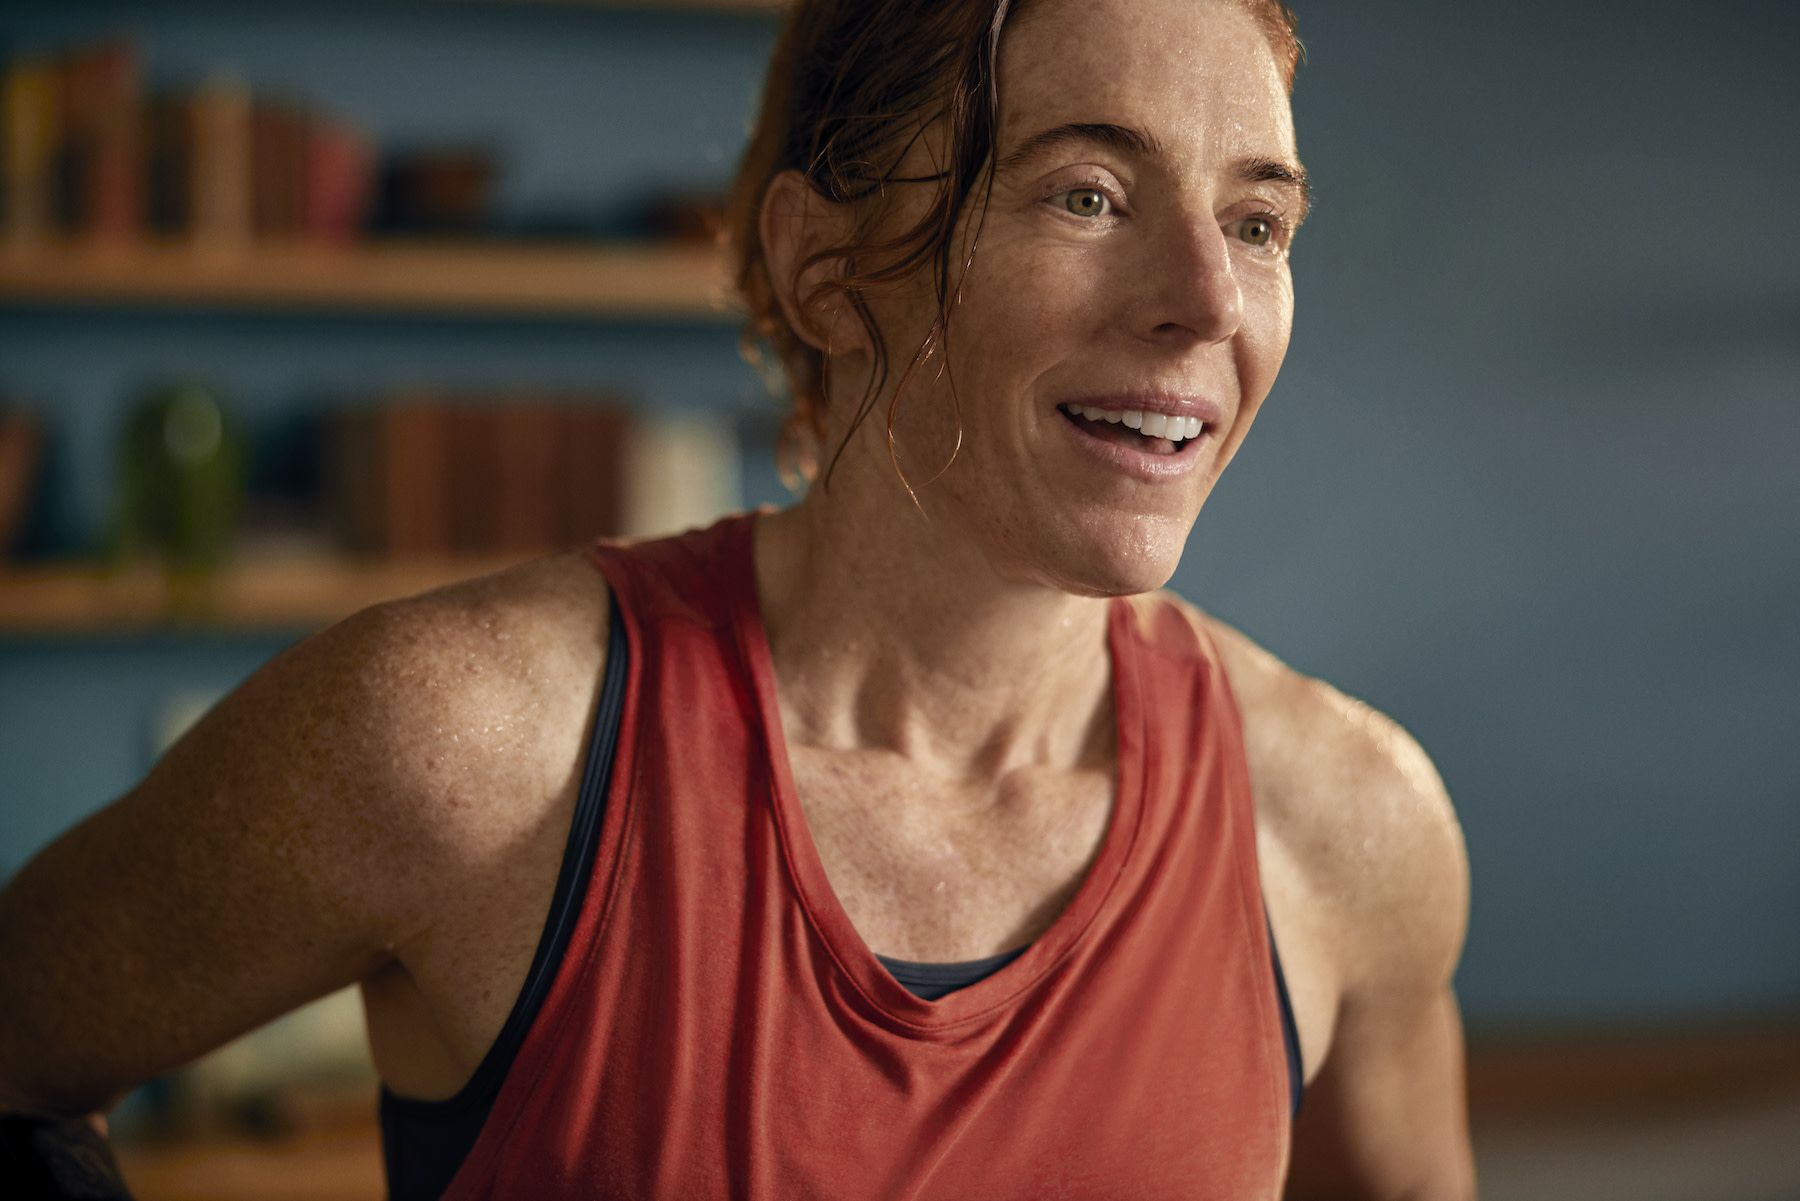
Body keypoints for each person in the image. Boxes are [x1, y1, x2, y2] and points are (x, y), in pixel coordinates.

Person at [0, 0, 1475, 1196]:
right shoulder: (466, 747)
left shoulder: (1349, 818)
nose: (1211, 303)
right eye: (1087, 193)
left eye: (1261, 223)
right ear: (825, 267)